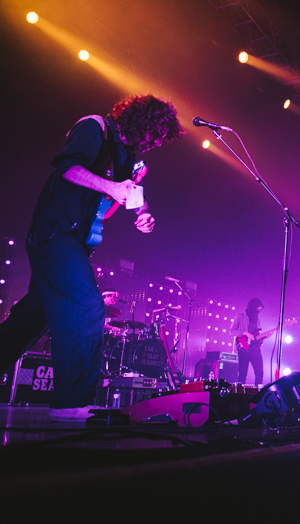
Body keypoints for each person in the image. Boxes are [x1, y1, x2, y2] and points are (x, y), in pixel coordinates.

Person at [0, 94, 183, 421]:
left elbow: (134, 195)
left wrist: (145, 214)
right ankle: (71, 405)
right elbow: (68, 168)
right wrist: (110, 188)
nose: (154, 142)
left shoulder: (127, 154)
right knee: (87, 305)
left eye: (159, 139)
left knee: (31, 318)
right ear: (139, 120)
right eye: (153, 133)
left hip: (76, 242)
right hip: (55, 234)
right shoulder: (94, 127)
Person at [230, 298, 268, 385]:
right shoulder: (240, 316)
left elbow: (255, 337)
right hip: (243, 349)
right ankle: (240, 395)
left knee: (259, 374)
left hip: (255, 349)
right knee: (242, 375)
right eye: (257, 309)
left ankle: (258, 394)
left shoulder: (257, 319)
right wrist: (245, 333)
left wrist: (265, 337)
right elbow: (231, 331)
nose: (258, 311)